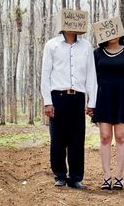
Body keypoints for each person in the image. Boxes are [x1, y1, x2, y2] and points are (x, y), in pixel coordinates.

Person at [41, 29, 97, 189]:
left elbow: (91, 75)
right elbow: (45, 74)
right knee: (57, 137)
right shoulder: (52, 45)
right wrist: (47, 101)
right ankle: (59, 175)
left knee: (77, 139)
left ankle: (75, 178)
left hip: (78, 97)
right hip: (57, 96)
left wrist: (91, 101)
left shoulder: (86, 46)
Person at [88, 36, 124, 190]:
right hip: (103, 97)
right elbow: (93, 78)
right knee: (105, 137)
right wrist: (91, 101)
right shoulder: (97, 53)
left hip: (123, 97)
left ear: (120, 33)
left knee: (121, 137)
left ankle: (119, 176)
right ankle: (106, 177)